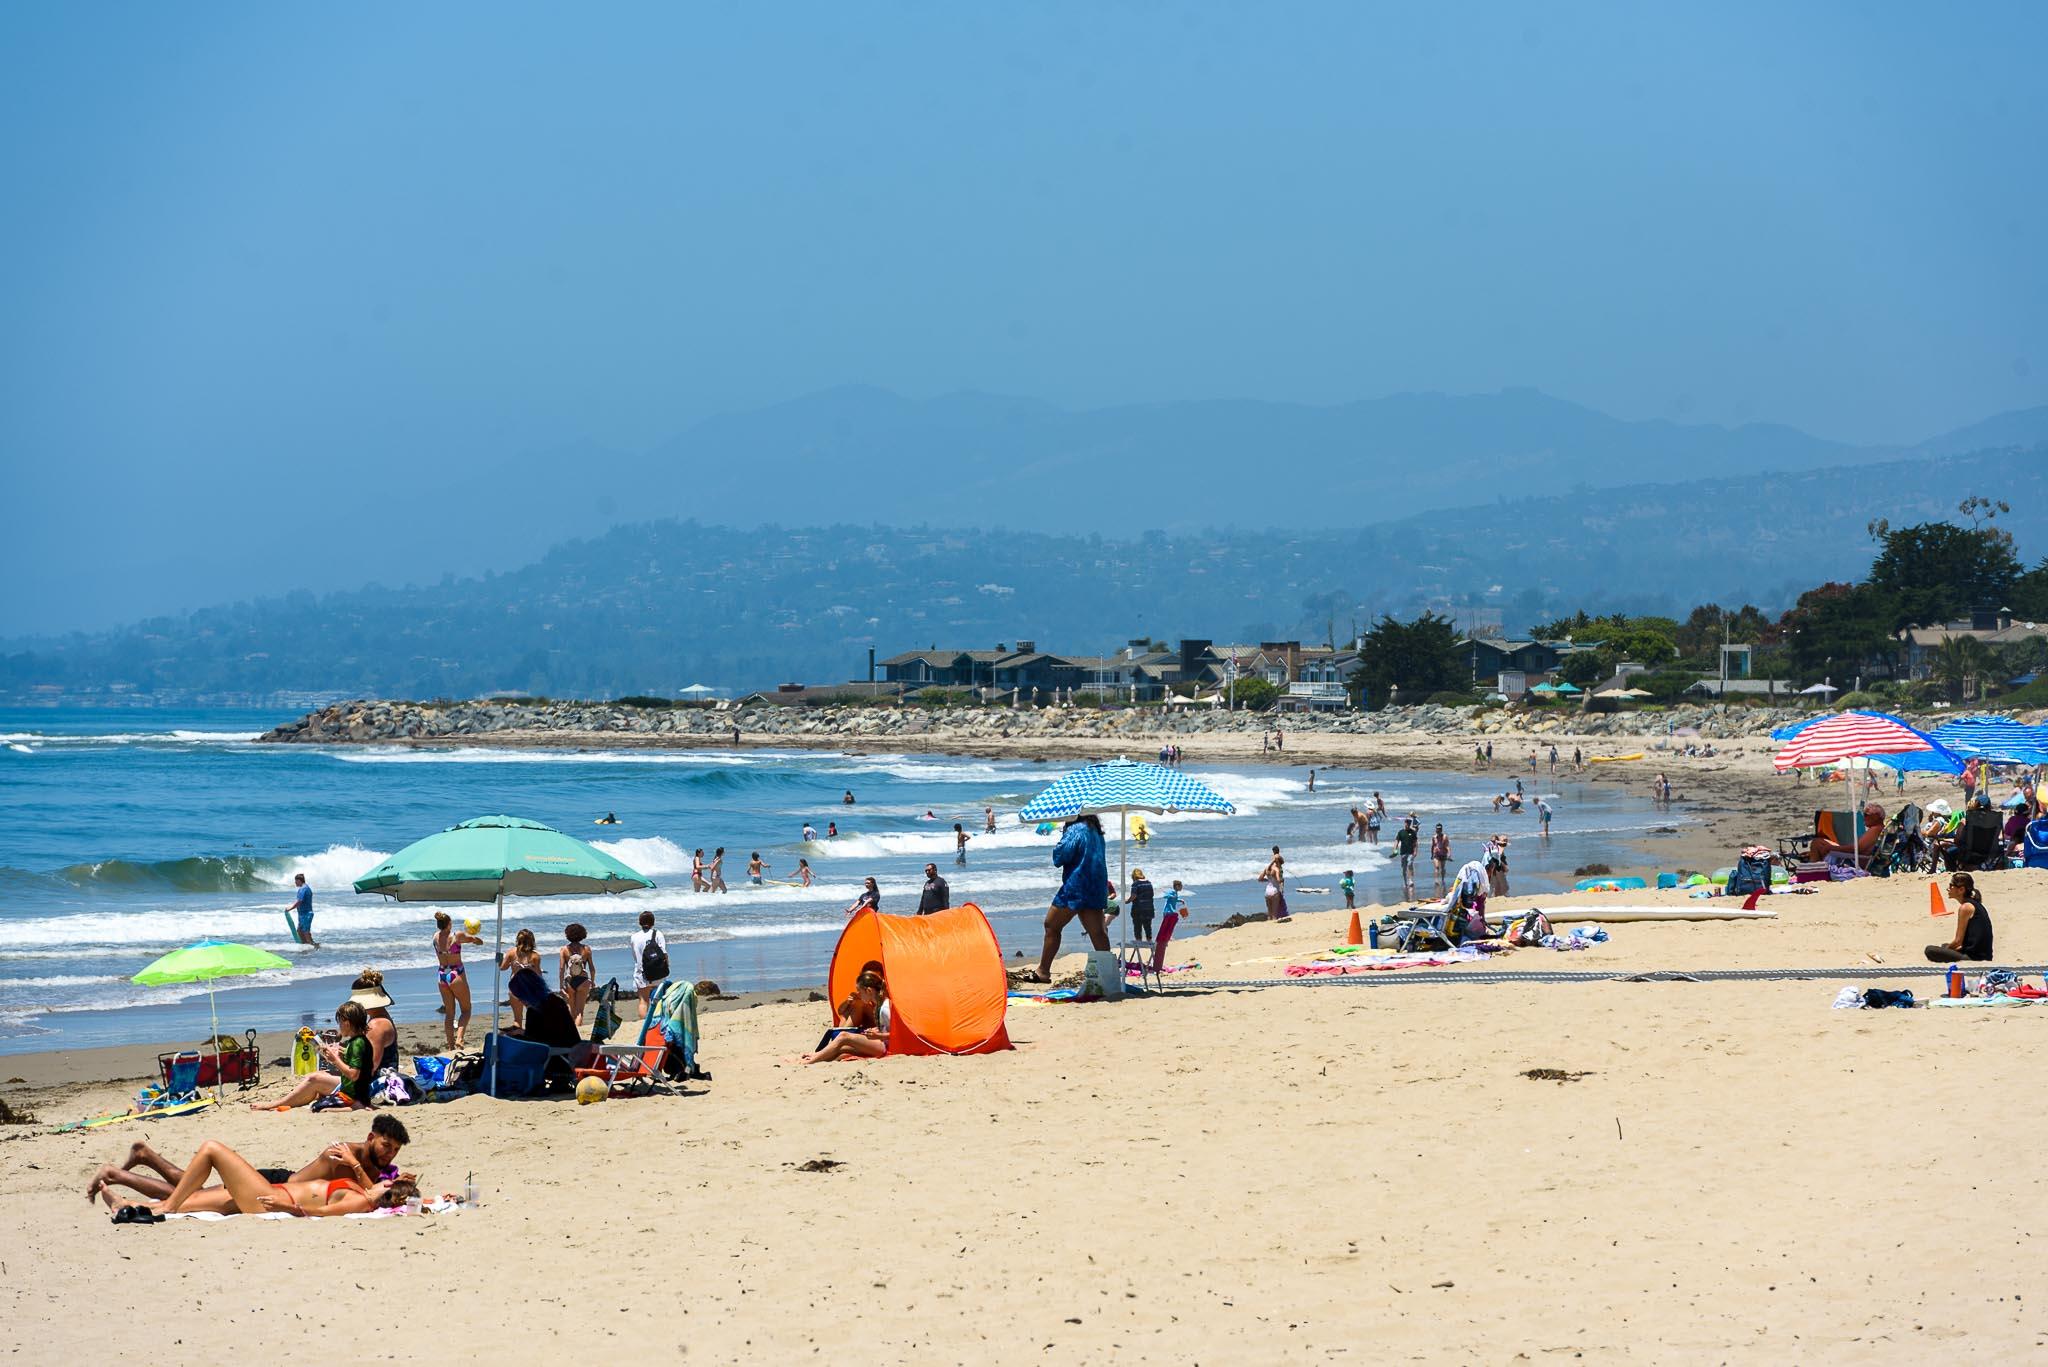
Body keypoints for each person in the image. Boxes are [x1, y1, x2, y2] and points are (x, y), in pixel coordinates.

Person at [89, 1115, 411, 1210]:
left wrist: (399, 1185)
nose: (389, 1154)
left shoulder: (379, 1169)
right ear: (371, 1137)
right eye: (386, 1146)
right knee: (190, 1185)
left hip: (280, 1191)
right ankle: (141, 1159)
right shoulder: (344, 1154)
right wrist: (365, 1173)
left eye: (394, 1150)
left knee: (194, 1192)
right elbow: (365, 1193)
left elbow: (374, 1193)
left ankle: (130, 1169)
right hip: (276, 1182)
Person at [142, 1139, 416, 1218]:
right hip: (274, 1189)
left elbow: (322, 1211)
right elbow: (377, 1190)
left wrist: (288, 1208)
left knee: (212, 1149)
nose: (386, 1180)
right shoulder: (366, 1190)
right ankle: (129, 1203)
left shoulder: (361, 1201)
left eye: (388, 1185)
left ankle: (165, 1206)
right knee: (195, 1200)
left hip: (272, 1198)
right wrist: (413, 1191)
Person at [1019, 813, 1111, 984]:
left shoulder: (1075, 829)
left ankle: (1043, 971)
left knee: (1052, 925)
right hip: (1097, 886)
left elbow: (1059, 857)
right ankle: (1109, 974)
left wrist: (1064, 835)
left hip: (1076, 886)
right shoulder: (1096, 831)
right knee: (1098, 933)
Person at [256, 1000, 374, 1111]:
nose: (339, 1027)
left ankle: (276, 1104)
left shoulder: (357, 1043)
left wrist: (335, 1059)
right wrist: (339, 1055)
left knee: (317, 1107)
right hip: (354, 1092)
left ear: (347, 1023)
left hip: (353, 1096)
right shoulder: (358, 1041)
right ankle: (286, 1102)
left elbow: (354, 1075)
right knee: (318, 1083)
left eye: (340, 1023)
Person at [432, 912, 480, 1050]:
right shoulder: (456, 935)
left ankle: (451, 1047)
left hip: (442, 975)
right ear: (449, 924)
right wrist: (477, 938)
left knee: (449, 1013)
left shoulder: (435, 937)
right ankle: (459, 1038)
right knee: (466, 1010)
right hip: (456, 973)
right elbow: (475, 940)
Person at [1926, 873, 1994, 963]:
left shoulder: (1965, 908)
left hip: (1974, 958)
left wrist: (1947, 950)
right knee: (1943, 946)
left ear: (1961, 889)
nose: (1948, 889)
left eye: (1951, 886)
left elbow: (1958, 941)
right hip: (1984, 954)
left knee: (1930, 950)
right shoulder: (1974, 904)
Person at [500, 930, 542, 1028]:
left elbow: (502, 968)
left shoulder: (511, 953)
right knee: (534, 1017)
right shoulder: (535, 956)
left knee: (517, 1019)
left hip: (515, 987)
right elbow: (538, 974)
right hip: (529, 988)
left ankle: (518, 1036)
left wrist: (500, 958)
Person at [630, 910, 669, 1017]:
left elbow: (635, 956)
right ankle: (656, 1024)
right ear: (653, 922)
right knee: (659, 1000)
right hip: (658, 971)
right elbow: (664, 953)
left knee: (643, 1001)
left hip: (641, 972)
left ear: (639, 922)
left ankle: (644, 1025)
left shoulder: (634, 937)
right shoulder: (658, 934)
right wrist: (666, 967)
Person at [558, 922, 594, 1022]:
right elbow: (592, 968)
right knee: (579, 1013)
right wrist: (593, 981)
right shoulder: (586, 949)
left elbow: (561, 968)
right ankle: (578, 1032)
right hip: (583, 980)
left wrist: (561, 986)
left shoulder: (564, 950)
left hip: (569, 981)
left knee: (571, 1011)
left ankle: (573, 1032)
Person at [286, 872, 316, 946]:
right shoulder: (306, 888)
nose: (295, 882)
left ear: (299, 880)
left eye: (295, 881)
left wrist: (290, 908)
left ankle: (313, 946)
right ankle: (306, 947)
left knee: (305, 932)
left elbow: (299, 901)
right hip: (303, 914)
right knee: (299, 931)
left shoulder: (303, 889)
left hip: (306, 914)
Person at [1259, 846, 1288, 921]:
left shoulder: (1266, 868)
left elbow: (1260, 879)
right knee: (1275, 914)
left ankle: (1268, 926)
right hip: (1274, 892)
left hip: (1267, 892)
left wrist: (1268, 880)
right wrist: (1282, 880)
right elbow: (1278, 880)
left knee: (1269, 913)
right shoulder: (1276, 869)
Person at [1392, 817, 1418, 898]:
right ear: (1404, 823)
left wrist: (1416, 851)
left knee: (1410, 864)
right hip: (1403, 852)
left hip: (1410, 852)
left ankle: (1410, 880)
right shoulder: (1401, 832)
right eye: (1406, 823)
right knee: (1404, 868)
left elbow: (1415, 842)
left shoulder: (1412, 832)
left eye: (1409, 823)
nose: (1407, 824)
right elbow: (1397, 841)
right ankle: (1405, 881)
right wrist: (1395, 849)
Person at [1128, 868, 1155, 941]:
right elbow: (1152, 894)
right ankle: (1149, 942)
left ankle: (1138, 942)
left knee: (1137, 926)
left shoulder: (1136, 884)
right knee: (1148, 927)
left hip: (1138, 908)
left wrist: (1127, 901)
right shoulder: (1149, 883)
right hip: (1149, 908)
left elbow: (1133, 896)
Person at [1430, 824, 1451, 896]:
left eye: (1439, 829)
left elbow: (1447, 846)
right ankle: (1436, 880)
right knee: (1436, 867)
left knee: (1442, 867)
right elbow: (1432, 846)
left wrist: (1449, 853)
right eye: (1437, 829)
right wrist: (1431, 854)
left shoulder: (1445, 837)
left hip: (1443, 853)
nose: (1438, 830)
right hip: (1436, 854)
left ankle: (1442, 879)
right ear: (1436, 829)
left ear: (1441, 829)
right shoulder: (1434, 837)